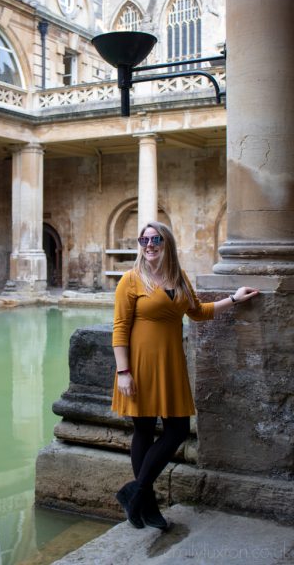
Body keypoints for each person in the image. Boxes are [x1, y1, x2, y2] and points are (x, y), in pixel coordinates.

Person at [112, 221, 259, 530]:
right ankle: (147, 506)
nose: (149, 245)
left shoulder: (178, 279)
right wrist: (123, 371)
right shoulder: (130, 280)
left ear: (168, 244)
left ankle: (135, 494)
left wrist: (234, 299)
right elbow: (120, 329)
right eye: (144, 239)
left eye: (156, 239)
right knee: (143, 430)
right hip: (138, 365)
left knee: (177, 430)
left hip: (170, 364)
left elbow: (198, 312)